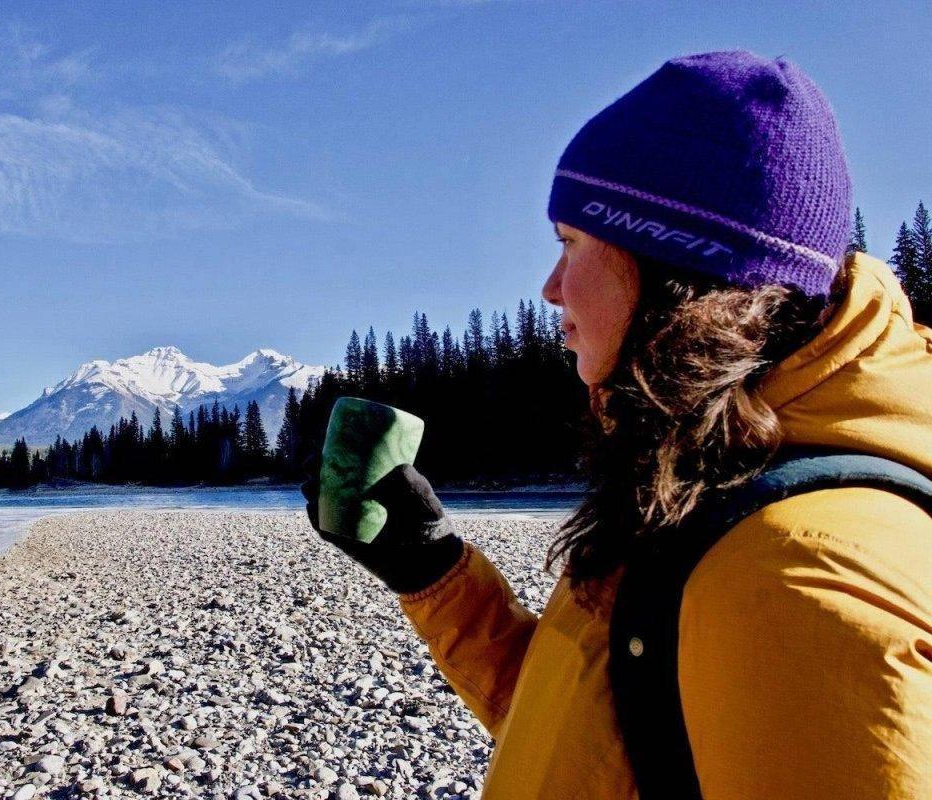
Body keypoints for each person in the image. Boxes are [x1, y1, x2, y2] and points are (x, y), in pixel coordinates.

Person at [301, 50, 932, 798]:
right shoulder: (709, 481)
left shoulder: (797, 584)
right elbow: (603, 744)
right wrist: (433, 574)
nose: (550, 287)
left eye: (569, 243)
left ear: (671, 266)